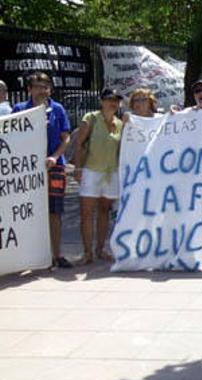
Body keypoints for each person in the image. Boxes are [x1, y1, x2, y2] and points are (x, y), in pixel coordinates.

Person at [13, 72, 72, 268]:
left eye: (45, 86)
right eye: (38, 86)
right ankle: (30, 256)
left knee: (54, 212)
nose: (42, 90)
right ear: (29, 89)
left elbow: (66, 138)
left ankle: (56, 255)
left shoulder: (58, 109)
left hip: (54, 167)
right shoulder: (20, 109)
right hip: (27, 171)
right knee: (29, 212)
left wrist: (54, 156)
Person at [74, 89, 123, 264]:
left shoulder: (120, 124)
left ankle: (100, 249)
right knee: (86, 213)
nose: (113, 103)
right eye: (109, 99)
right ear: (101, 101)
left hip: (111, 173)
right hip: (91, 171)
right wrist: (78, 168)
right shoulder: (91, 118)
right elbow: (79, 144)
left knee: (104, 211)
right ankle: (87, 252)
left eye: (116, 100)